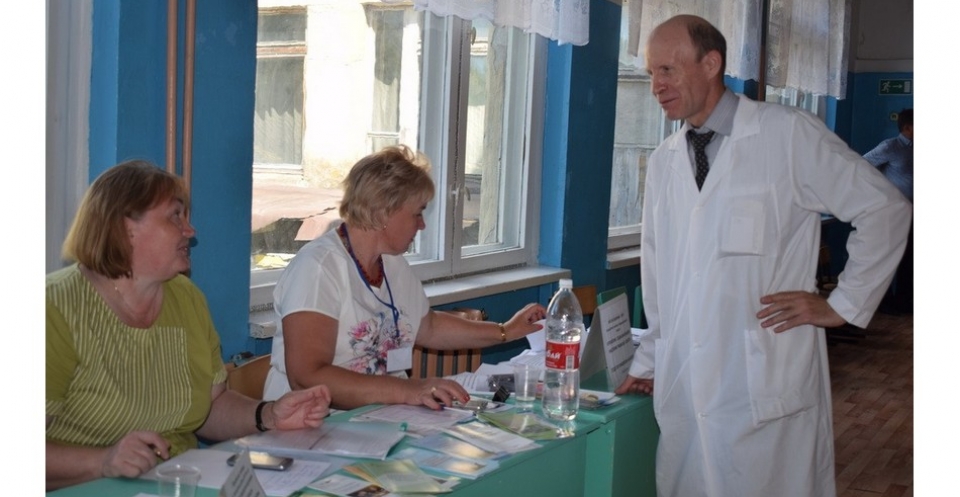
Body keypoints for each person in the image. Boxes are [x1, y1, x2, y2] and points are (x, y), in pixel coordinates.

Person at [613, 15, 911, 497]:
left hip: (764, 380)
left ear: (711, 63)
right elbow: (660, 276)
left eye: (667, 70)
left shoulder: (787, 134)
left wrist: (842, 304)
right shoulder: (666, 161)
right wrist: (649, 361)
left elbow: (885, 209)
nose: (655, 86)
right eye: (651, 73)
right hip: (687, 383)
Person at [46, 161, 332, 491]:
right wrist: (103, 461)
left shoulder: (186, 298)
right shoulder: (55, 308)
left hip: (180, 483)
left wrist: (268, 415)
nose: (190, 230)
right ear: (126, 228)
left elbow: (210, 408)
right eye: (175, 217)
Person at [263, 145, 546, 410]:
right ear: (382, 212)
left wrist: (505, 331)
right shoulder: (318, 268)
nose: (422, 225)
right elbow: (307, 376)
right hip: (311, 421)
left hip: (376, 418)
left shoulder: (391, 262)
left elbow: (428, 326)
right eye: (417, 213)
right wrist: (408, 390)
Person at [863, 108, 913, 314]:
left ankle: (904, 301)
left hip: (913, 212)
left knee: (909, 258)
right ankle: (882, 302)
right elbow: (862, 166)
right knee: (888, 256)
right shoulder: (890, 146)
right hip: (894, 212)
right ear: (907, 127)